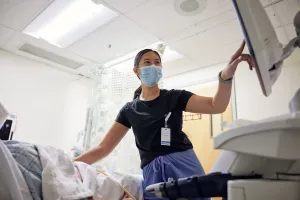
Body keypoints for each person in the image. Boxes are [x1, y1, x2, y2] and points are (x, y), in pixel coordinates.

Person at [75, 41, 254, 200]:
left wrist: (225, 77)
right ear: (136, 71)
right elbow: (103, 148)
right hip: (152, 172)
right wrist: (72, 165)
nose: (153, 66)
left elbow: (216, 106)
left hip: (184, 164)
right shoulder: (129, 110)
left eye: (157, 62)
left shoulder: (175, 97)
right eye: (147, 62)